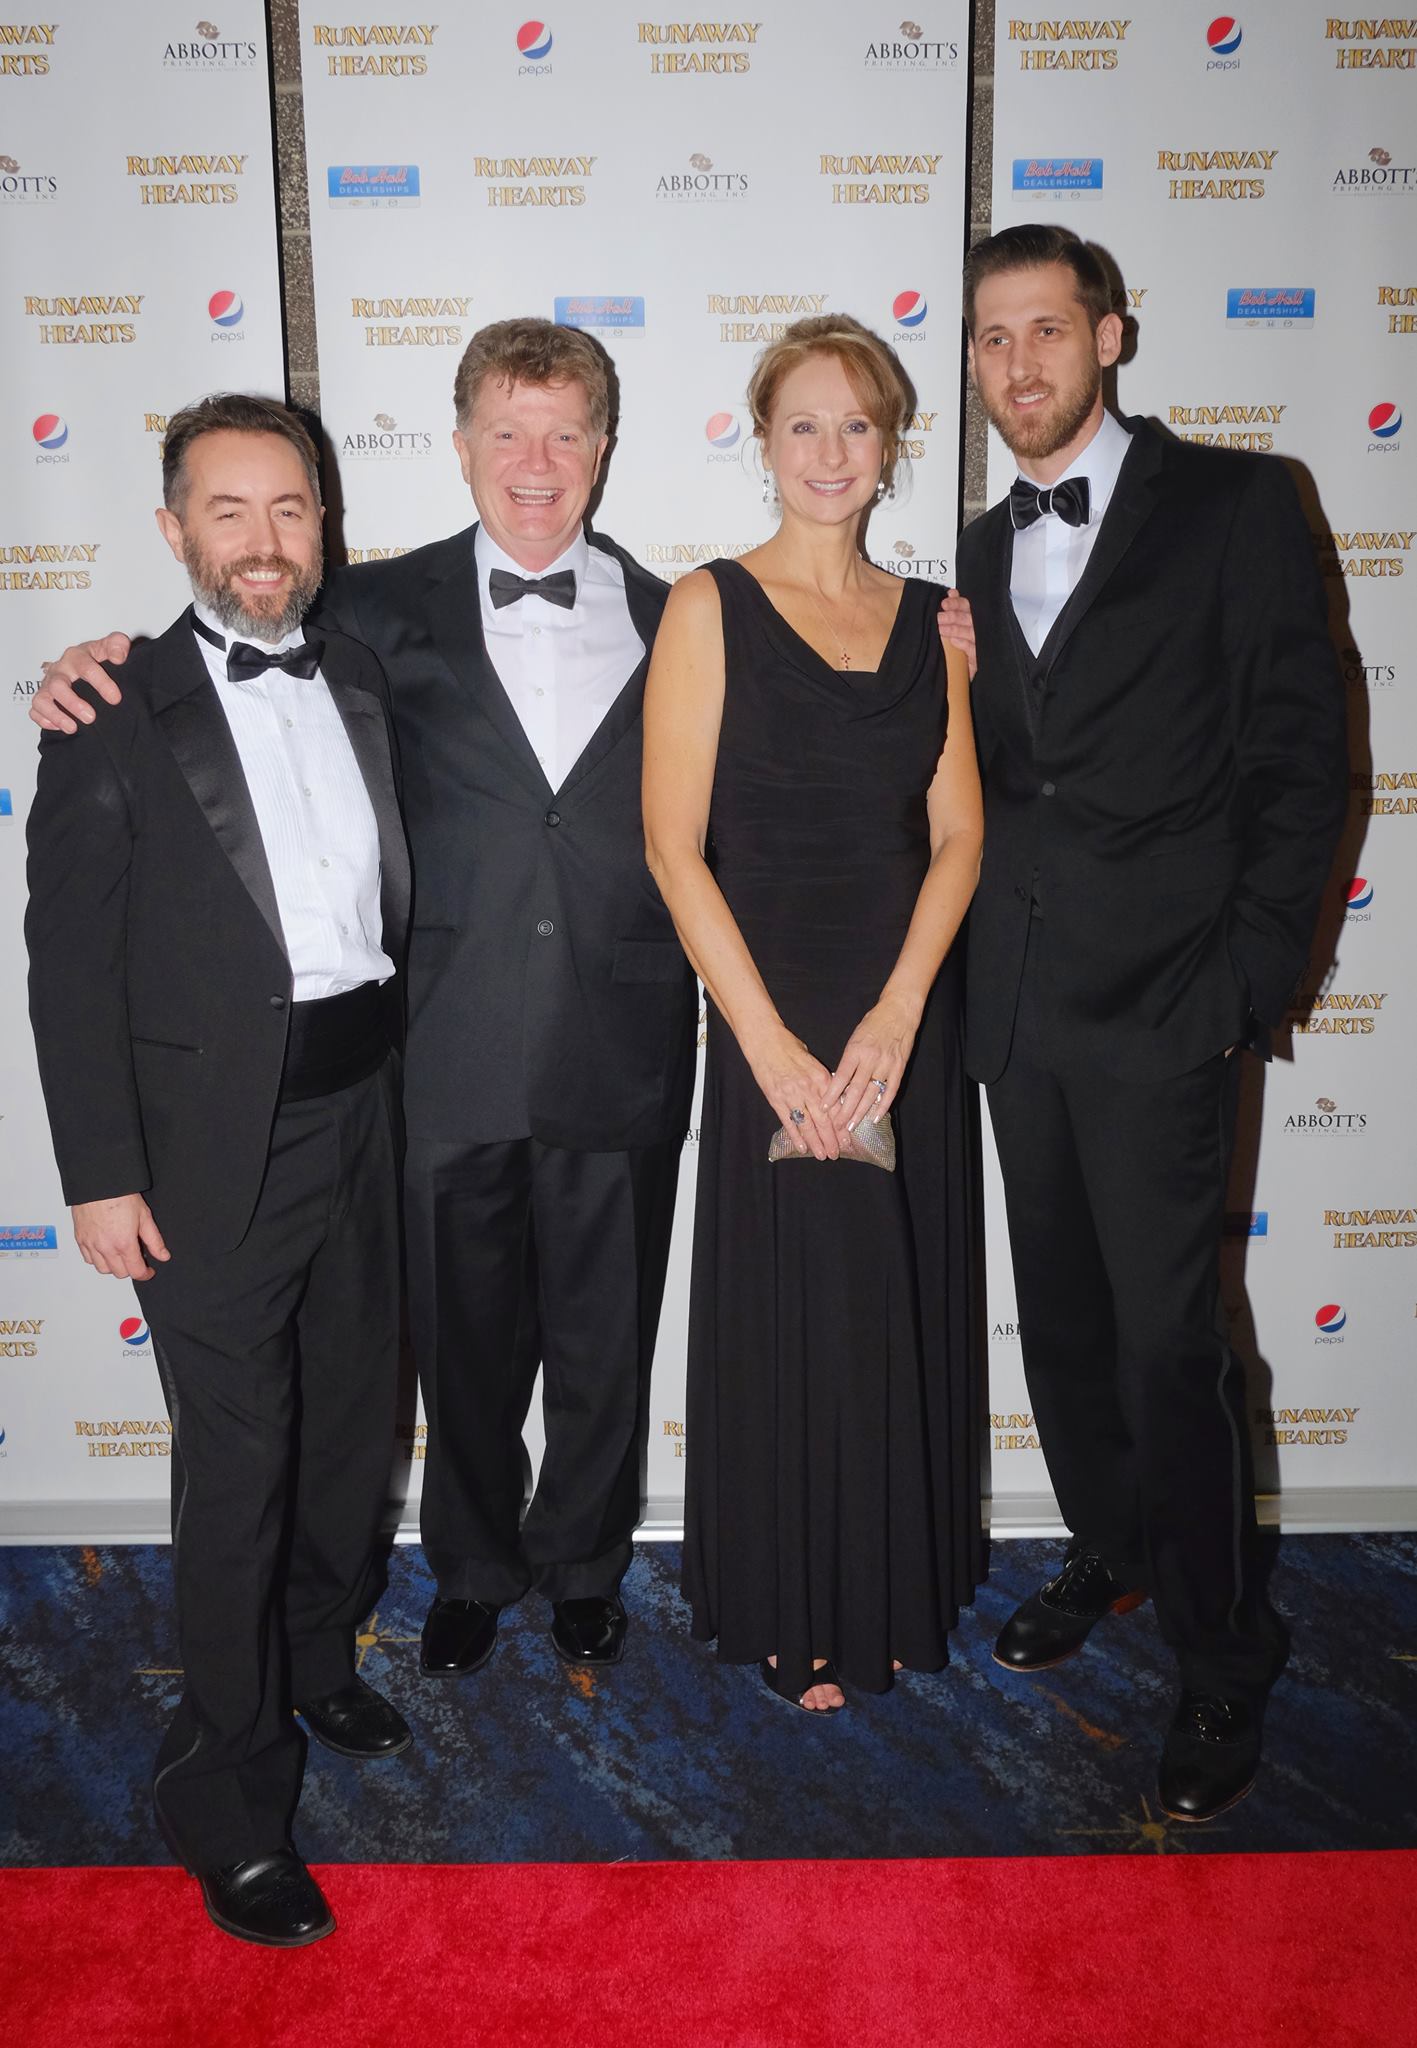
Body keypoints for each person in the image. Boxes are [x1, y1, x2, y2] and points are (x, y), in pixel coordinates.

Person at [29, 321, 697, 1677]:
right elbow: (222, 671)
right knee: (454, 1343)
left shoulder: (687, 615)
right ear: (457, 450)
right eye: (506, 432)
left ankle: (581, 1559)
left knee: (606, 1334)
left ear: (605, 451)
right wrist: (69, 674)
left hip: (620, 1038)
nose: (536, 463)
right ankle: (470, 1563)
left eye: (565, 432)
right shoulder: (367, 617)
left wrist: (940, 634)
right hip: (435, 1050)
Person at [942, 223, 1346, 1816]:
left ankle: (1219, 1650)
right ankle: (1106, 1550)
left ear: (1110, 337)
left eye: (1045, 329)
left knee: (1176, 1345)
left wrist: (1249, 980)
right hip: (1014, 1003)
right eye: (988, 338)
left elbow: (1302, 758)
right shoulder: (967, 554)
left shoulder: (1240, 503)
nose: (1016, 364)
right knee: (1060, 1323)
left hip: (1170, 1001)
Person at [25, 394, 411, 1945]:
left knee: (345, 1437)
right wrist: (101, 1171)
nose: (266, 542)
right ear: (175, 527)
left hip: (364, 1118)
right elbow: (69, 966)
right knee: (239, 1473)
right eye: (231, 511)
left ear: (325, 522)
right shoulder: (110, 704)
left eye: (293, 509)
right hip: (200, 1156)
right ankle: (227, 1793)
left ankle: (316, 1662)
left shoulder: (365, 673)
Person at [643, 315, 984, 1712]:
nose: (830, 452)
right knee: (800, 1307)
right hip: (768, 1016)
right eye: (802, 423)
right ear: (759, 437)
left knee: (896, 1301)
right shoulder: (706, 605)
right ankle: (796, 1607)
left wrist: (899, 1015)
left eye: (857, 424)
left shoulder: (927, 622)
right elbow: (672, 845)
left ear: (890, 444)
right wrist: (769, 1044)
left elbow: (958, 834)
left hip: (904, 1008)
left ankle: (894, 1590)